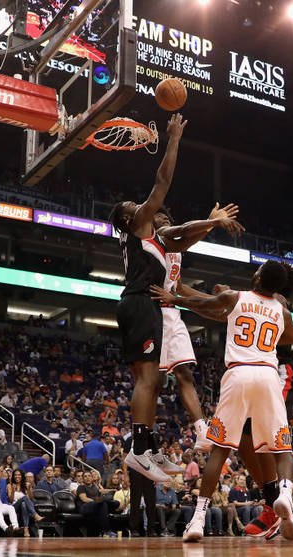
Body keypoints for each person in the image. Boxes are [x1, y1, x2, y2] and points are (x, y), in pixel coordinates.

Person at [151, 260, 293, 542]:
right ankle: (280, 498)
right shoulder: (272, 305)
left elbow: (221, 309)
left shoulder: (260, 299)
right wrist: (183, 291)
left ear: (261, 278)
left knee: (234, 446)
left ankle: (266, 506)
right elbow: (223, 311)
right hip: (266, 375)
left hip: (265, 372)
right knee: (265, 445)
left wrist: (178, 298)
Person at [109, 113, 189, 483]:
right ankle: (138, 451)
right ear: (129, 219)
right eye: (132, 205)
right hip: (140, 303)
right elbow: (163, 182)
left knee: (153, 381)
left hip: (141, 304)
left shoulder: (142, 236)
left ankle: (148, 446)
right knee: (146, 379)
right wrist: (173, 139)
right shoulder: (139, 223)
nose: (139, 204)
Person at [152, 204, 243, 451]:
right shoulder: (155, 238)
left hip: (172, 311)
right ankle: (144, 440)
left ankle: (202, 431)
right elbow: (184, 233)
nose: (163, 218)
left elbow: (180, 289)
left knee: (185, 374)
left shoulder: (176, 251)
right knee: (154, 380)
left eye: (166, 216)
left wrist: (218, 305)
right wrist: (211, 222)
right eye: (158, 216)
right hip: (153, 312)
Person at [76, 470, 119, 538]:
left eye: (89, 476)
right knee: (102, 503)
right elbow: (84, 499)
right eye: (85, 476)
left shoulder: (95, 487)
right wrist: (96, 501)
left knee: (116, 503)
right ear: (83, 479)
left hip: (95, 506)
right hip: (84, 507)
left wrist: (112, 490)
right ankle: (106, 531)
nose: (87, 478)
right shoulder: (81, 487)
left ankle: (110, 529)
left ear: (92, 478)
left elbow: (102, 491)